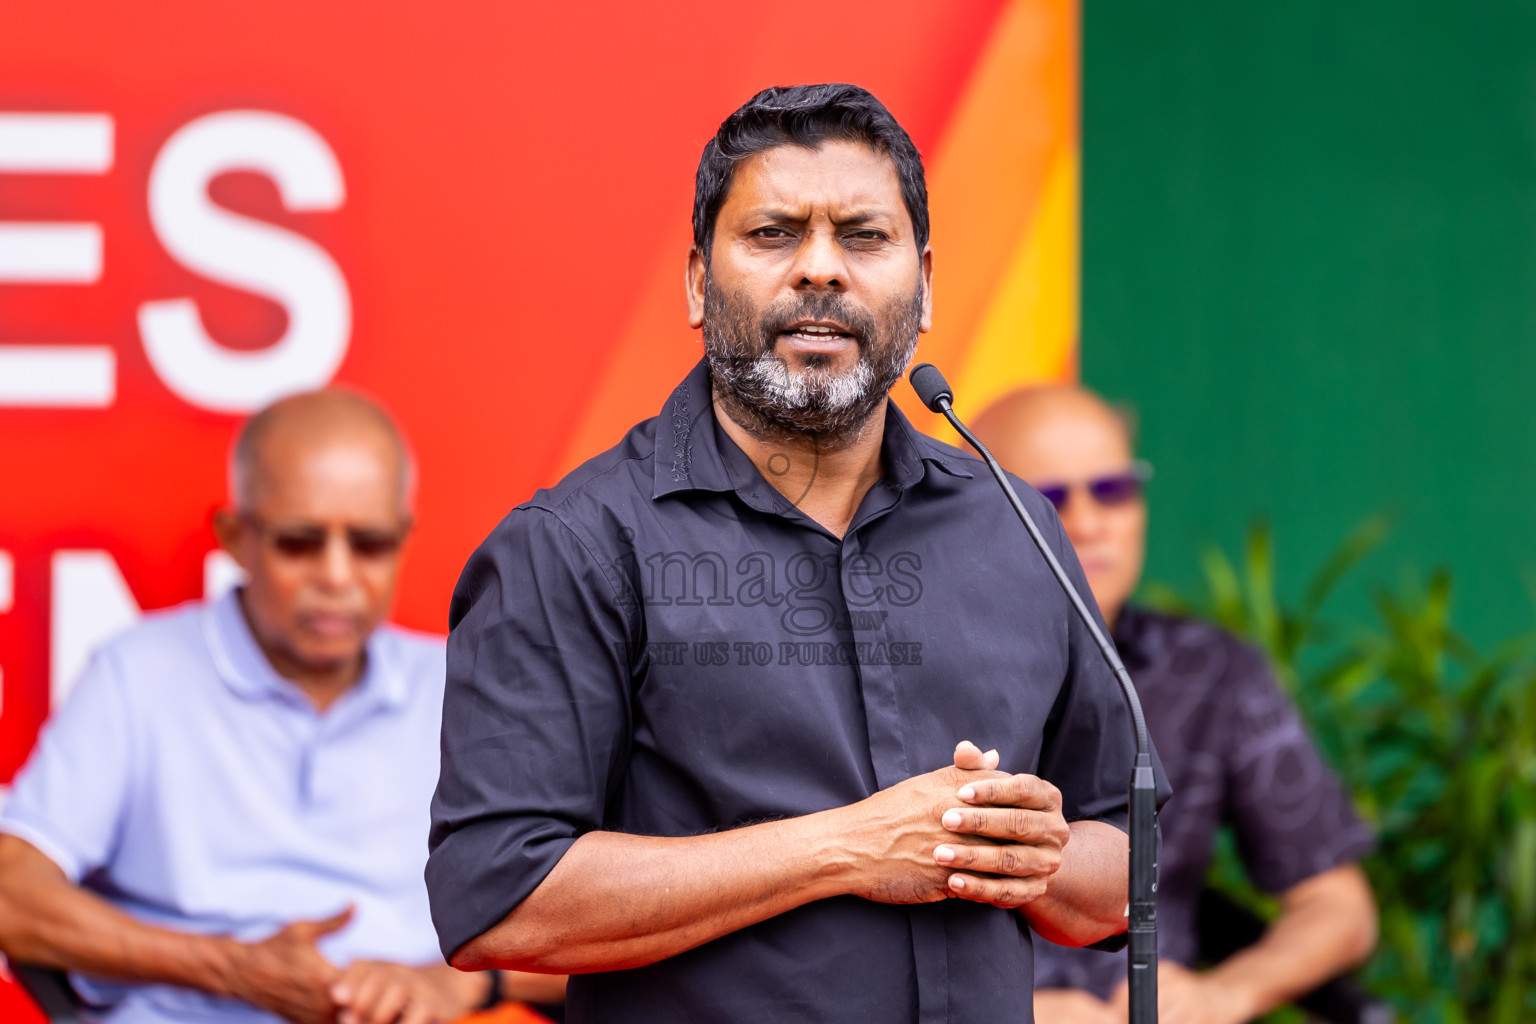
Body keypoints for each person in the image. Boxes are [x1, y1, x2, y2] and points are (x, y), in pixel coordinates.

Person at [426, 83, 1166, 1024]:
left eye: (864, 237)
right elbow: (498, 900)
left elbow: (1123, 872)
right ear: (698, 281)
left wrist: (1029, 852)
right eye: (775, 233)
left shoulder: (1015, 524)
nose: (821, 270)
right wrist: (848, 847)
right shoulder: (575, 545)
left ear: (927, 284)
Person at [0, 391, 566, 1024]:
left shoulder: (465, 687)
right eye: (299, 543)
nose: (337, 575)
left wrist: (461, 986)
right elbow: (10, 892)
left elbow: (620, 928)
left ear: (405, 539)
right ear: (235, 538)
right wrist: (230, 968)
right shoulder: (137, 675)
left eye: (370, 544)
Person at [970, 386, 1379, 1024]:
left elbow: (1339, 907)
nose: (1088, 521)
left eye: (1111, 489)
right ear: (971, 513)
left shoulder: (1212, 671)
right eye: (1047, 499)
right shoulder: (907, 670)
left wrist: (1223, 995)